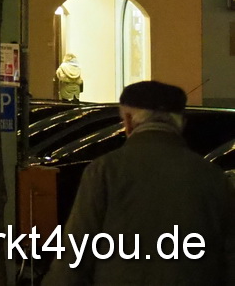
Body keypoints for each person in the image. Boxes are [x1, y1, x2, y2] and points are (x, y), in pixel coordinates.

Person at [43, 80, 235, 285]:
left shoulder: (105, 171)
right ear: (182, 123)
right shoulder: (212, 176)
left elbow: (76, 252)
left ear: (127, 120)